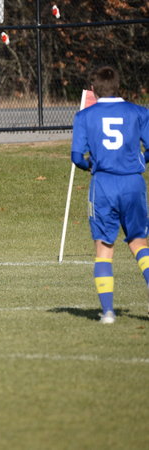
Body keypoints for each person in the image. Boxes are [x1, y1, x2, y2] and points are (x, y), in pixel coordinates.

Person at [71, 66, 149, 324]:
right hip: (133, 183)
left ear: (93, 90)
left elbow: (76, 157)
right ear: (118, 87)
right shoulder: (139, 112)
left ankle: (107, 312)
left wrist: (90, 166)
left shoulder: (85, 116)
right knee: (139, 243)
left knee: (104, 248)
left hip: (103, 184)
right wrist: (140, 160)